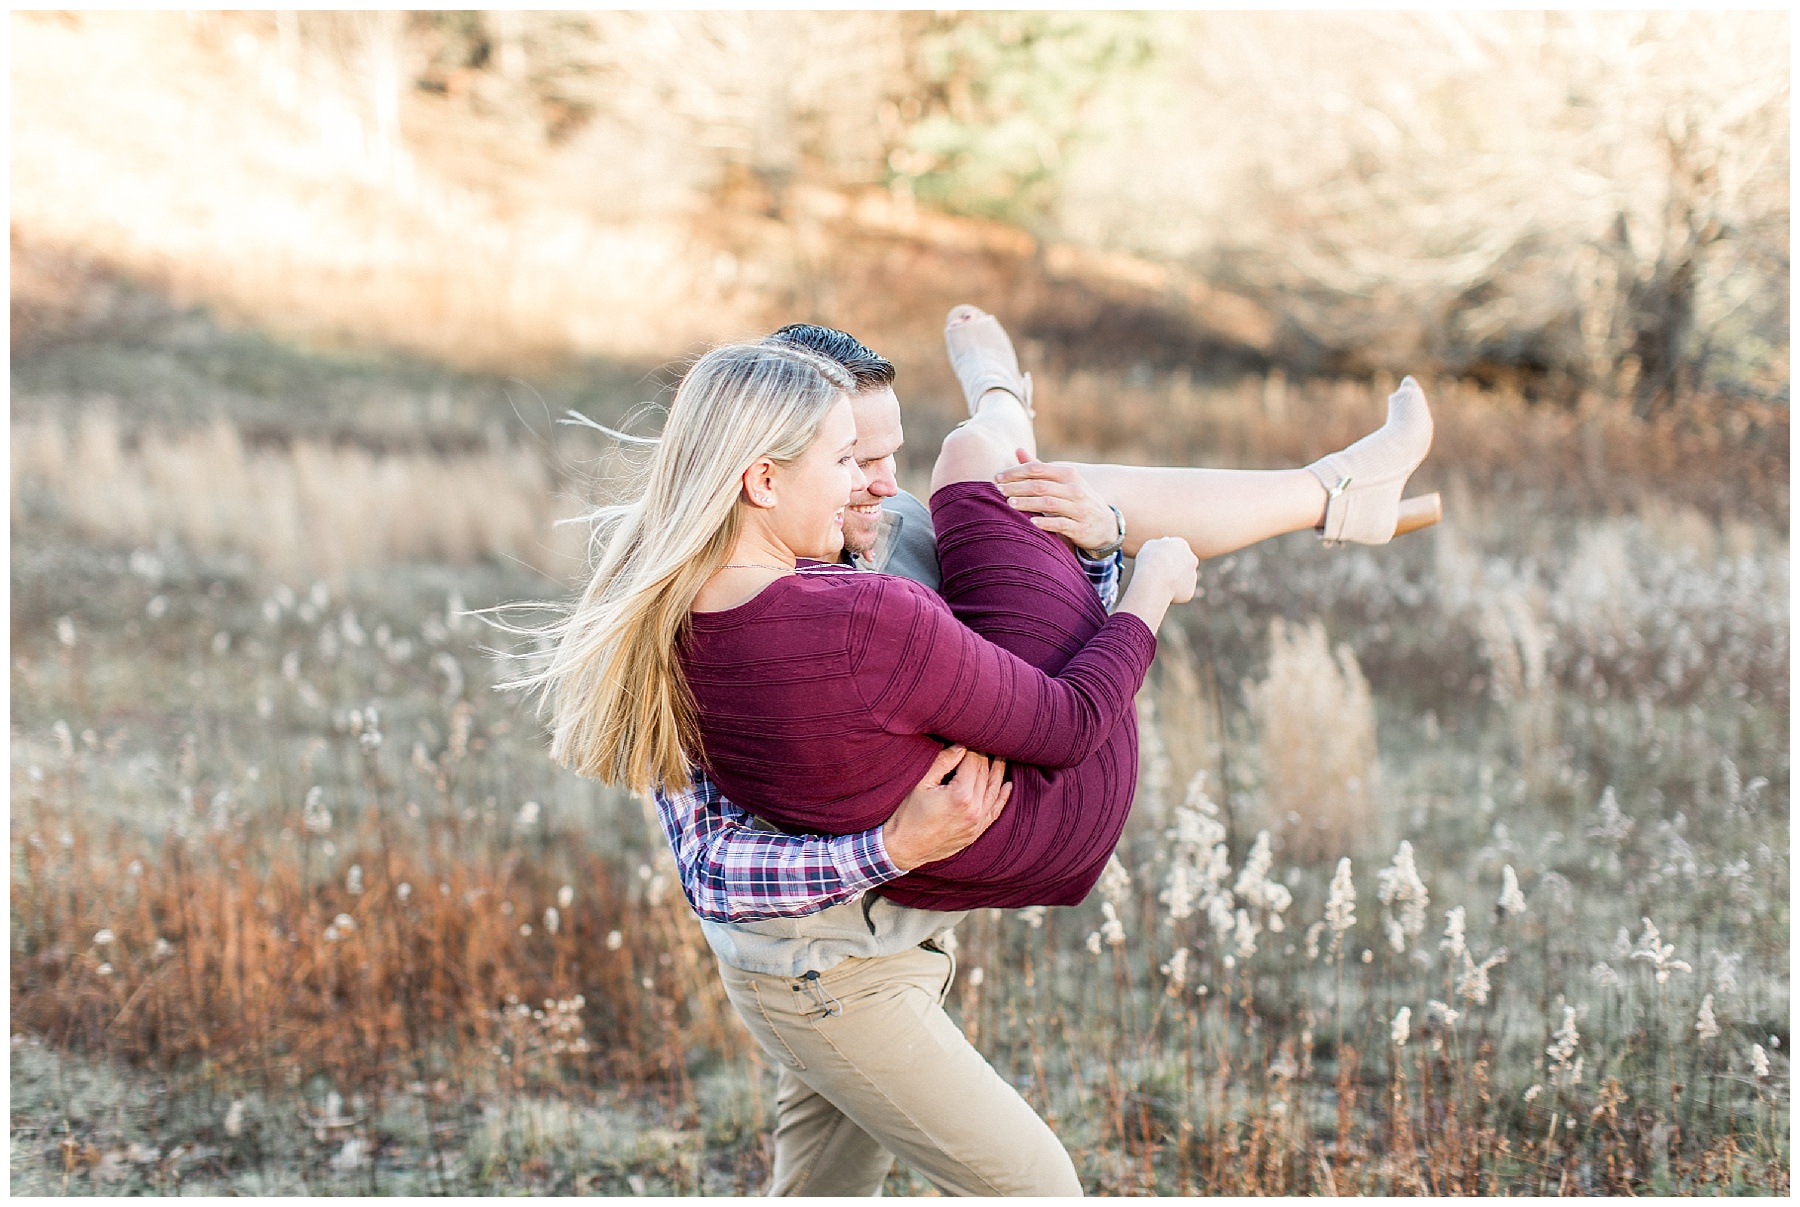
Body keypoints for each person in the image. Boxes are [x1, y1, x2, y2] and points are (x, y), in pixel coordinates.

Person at [540, 319, 1433, 1194]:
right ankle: (1317, 485)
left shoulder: (879, 543)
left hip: (867, 946)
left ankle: (1304, 485)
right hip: (825, 971)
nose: (881, 484)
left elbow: (1018, 653)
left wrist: (1101, 545)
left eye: (886, 453)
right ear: (761, 475)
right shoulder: (719, 611)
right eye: (850, 457)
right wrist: (890, 847)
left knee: (1021, 477)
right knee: (1039, 1188)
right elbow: (710, 867)